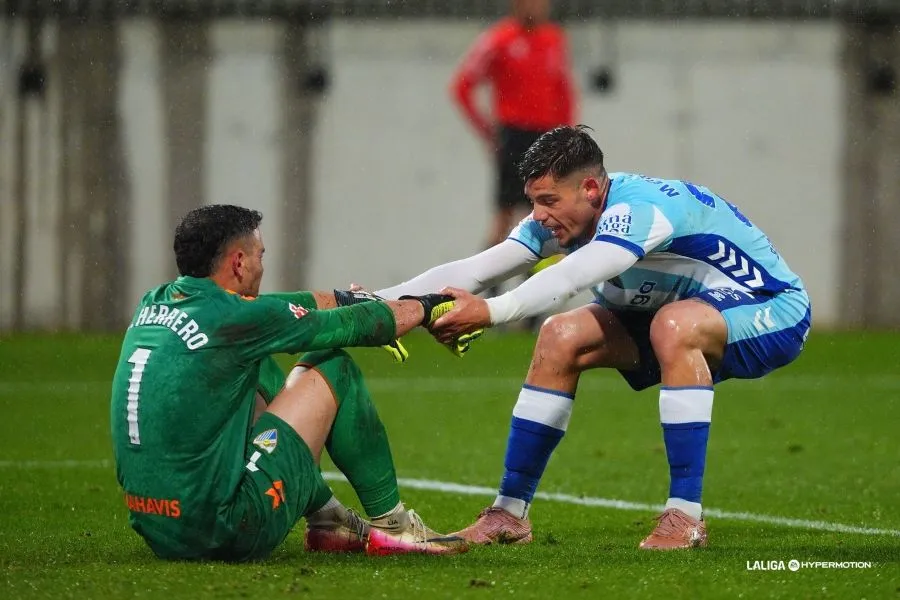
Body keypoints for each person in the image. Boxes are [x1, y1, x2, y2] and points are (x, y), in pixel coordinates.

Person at [377, 126, 811, 550]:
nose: (539, 215)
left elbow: (574, 276)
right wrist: (381, 304)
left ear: (589, 189)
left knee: (674, 326)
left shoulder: (639, 211)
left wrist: (490, 311)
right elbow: (475, 269)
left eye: (549, 201)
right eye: (534, 201)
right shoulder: (560, 217)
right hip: (670, 310)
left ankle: (686, 516)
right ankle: (509, 514)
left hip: (769, 308)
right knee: (559, 335)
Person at [110, 204, 467, 561]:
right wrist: (429, 305)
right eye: (259, 256)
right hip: (226, 530)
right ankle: (395, 527)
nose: (262, 265)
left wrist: (347, 298)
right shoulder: (236, 319)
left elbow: (278, 305)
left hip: (159, 529)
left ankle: (327, 518)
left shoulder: (154, 303)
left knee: (256, 364)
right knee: (334, 367)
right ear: (238, 262)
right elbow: (360, 327)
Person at [450, 0, 577, 252]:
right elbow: (462, 86)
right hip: (515, 136)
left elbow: (564, 89)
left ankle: (536, 283)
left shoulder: (554, 38)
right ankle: (487, 280)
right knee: (505, 215)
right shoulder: (499, 39)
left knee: (547, 215)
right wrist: (488, 131)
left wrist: (568, 135)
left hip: (546, 138)